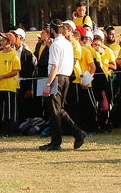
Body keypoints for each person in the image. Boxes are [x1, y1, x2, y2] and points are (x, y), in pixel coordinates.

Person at [40, 21, 86, 151]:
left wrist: (49, 84)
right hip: (66, 77)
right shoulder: (68, 44)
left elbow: (55, 66)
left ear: (53, 30)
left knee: (54, 111)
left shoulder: (56, 44)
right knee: (59, 109)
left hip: (57, 77)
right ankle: (77, 133)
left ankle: (57, 141)